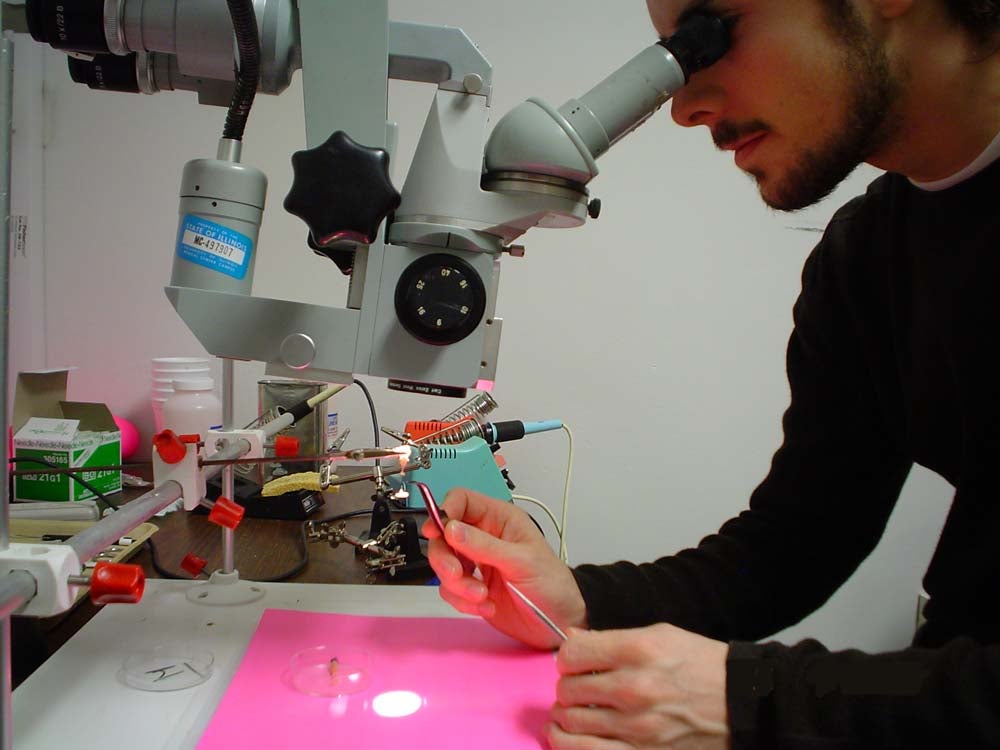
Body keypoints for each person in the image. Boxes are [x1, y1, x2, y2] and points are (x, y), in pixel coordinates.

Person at [421, 1, 1000, 748]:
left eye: (710, 33)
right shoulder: (869, 256)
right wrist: (576, 600)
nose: (685, 107)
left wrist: (753, 703)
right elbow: (793, 547)